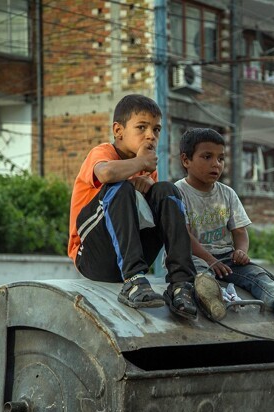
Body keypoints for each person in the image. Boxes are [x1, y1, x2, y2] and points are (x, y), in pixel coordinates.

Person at [174, 127, 274, 335]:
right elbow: (183, 235)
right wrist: (210, 259)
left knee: (258, 275)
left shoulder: (227, 193)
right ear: (186, 160)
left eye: (221, 158)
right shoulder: (178, 191)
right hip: (194, 256)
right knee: (200, 275)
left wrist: (241, 251)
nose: (216, 164)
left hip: (226, 258)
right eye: (207, 157)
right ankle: (212, 301)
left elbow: (239, 231)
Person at [68, 94, 198, 319]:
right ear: (118, 130)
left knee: (167, 191)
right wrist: (140, 164)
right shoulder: (103, 152)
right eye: (142, 127)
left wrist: (149, 184)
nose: (151, 135)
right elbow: (106, 173)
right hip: (92, 255)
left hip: (131, 252)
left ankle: (181, 284)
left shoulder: (147, 168)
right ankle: (134, 280)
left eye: (156, 130)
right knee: (120, 186)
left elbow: (154, 215)